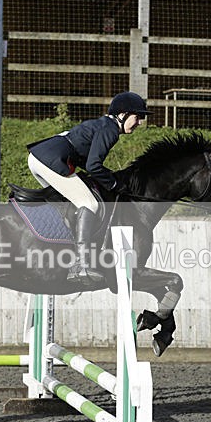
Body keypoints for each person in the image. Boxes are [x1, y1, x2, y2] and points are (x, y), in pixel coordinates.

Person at [26, 91, 150, 285]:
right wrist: (114, 183)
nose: (139, 122)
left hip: (39, 157)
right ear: (123, 114)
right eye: (137, 117)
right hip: (50, 160)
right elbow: (93, 166)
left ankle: (58, 249)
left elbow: (89, 163)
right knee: (89, 204)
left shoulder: (103, 124)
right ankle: (81, 264)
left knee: (70, 205)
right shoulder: (110, 130)